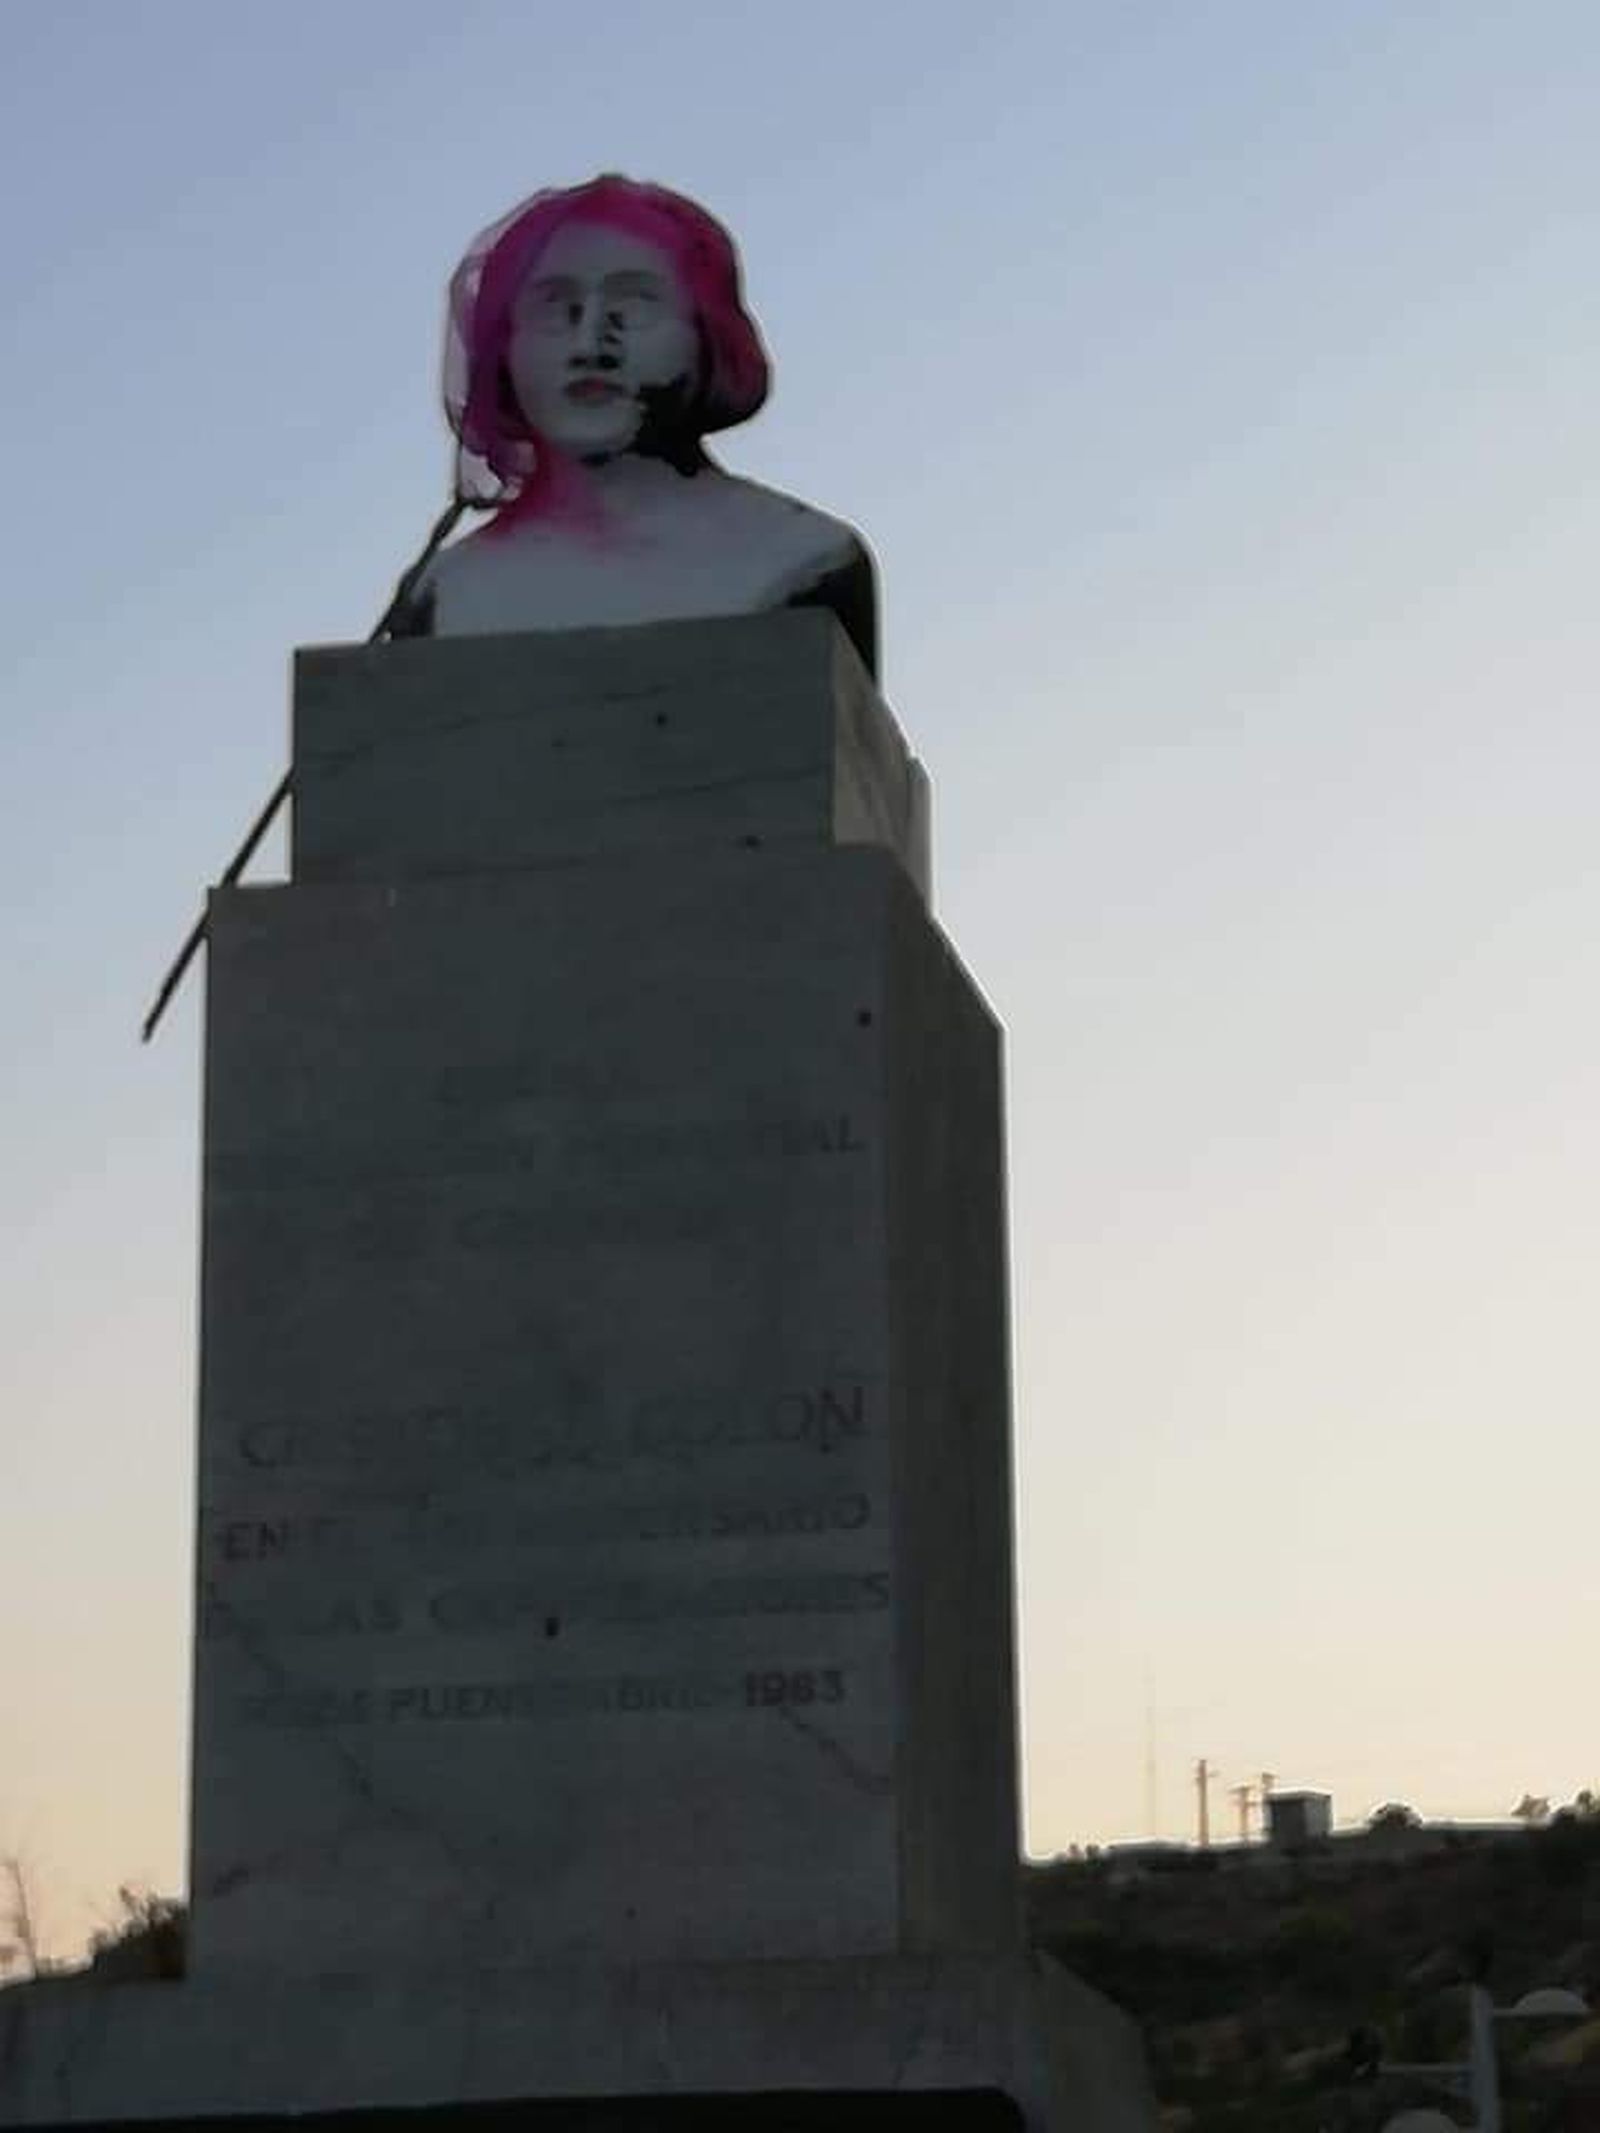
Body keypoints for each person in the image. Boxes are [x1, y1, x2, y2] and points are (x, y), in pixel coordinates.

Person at [404, 174, 879, 677]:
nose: (589, 346)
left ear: (708, 337)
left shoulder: (807, 558)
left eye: (632, 309)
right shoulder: (443, 589)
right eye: (556, 310)